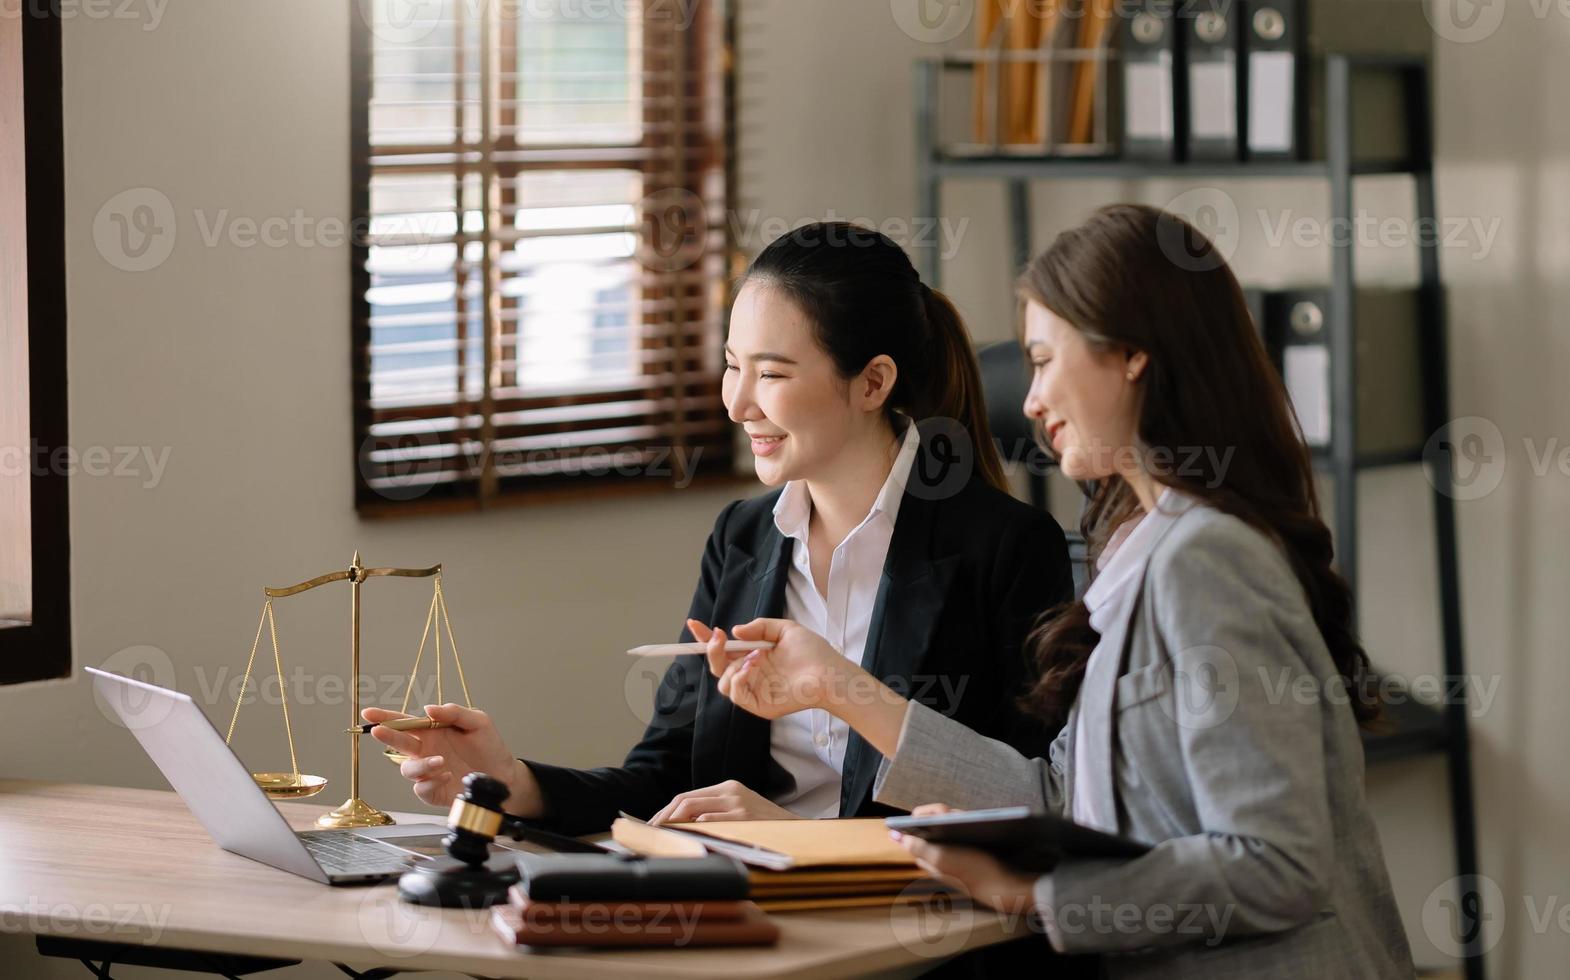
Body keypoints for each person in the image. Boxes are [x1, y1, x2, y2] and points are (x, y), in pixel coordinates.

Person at [698, 205, 1416, 977]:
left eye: (1044, 360)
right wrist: (838, 689)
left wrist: (1042, 889)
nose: (1031, 400)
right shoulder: (1136, 551)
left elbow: (1277, 867)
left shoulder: (1206, 561)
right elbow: (1058, 788)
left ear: (1132, 355)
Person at [365, 221, 1073, 836]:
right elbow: (666, 780)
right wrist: (512, 780)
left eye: (771, 373)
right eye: (733, 366)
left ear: (872, 383)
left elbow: (1023, 806)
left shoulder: (1006, 548)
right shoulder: (745, 536)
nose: (737, 403)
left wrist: (800, 836)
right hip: (750, 899)